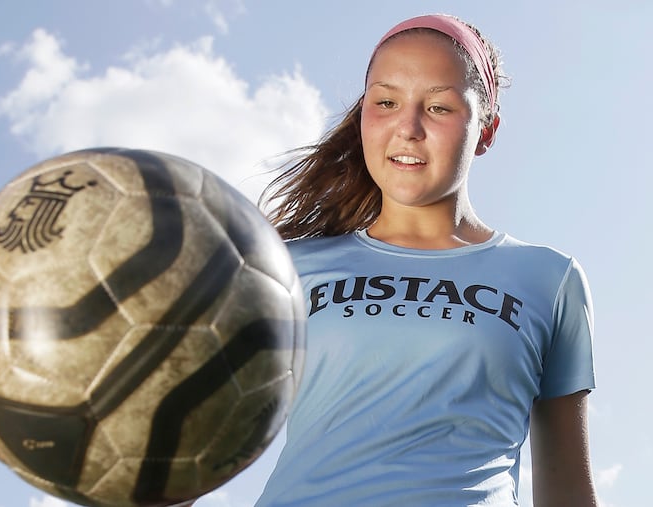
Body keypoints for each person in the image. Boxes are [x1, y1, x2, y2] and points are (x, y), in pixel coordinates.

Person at [254, 13, 598, 506]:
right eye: (386, 102)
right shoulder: (286, 269)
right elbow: (187, 434)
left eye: (438, 107)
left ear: (487, 130)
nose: (408, 128)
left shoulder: (550, 279)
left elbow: (567, 491)